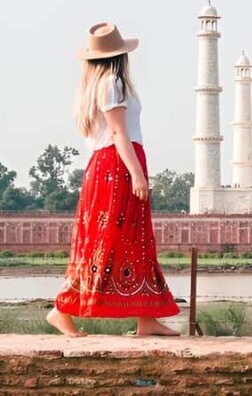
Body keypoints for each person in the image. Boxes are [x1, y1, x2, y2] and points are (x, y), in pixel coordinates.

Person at [47, 22, 180, 337]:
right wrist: (136, 174)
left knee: (133, 241)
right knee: (107, 241)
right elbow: (119, 133)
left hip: (113, 163)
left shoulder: (100, 84)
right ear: (119, 56)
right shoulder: (113, 83)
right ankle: (61, 310)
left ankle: (147, 318)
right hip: (117, 165)